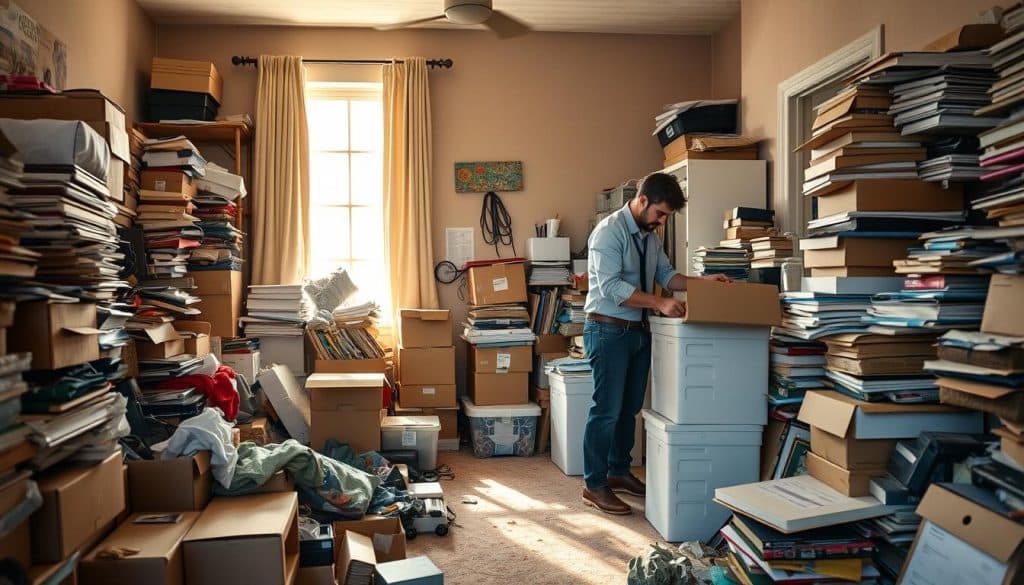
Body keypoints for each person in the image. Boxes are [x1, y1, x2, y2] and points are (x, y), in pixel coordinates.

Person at [581, 172, 730, 515]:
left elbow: (667, 275)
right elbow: (611, 288)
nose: (662, 222)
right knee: (605, 411)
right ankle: (594, 484)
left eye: (667, 217)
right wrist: (660, 303)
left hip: (637, 331)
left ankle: (618, 472)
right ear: (643, 200)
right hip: (607, 329)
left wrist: (701, 282)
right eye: (660, 214)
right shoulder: (608, 233)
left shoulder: (649, 235)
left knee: (629, 409)